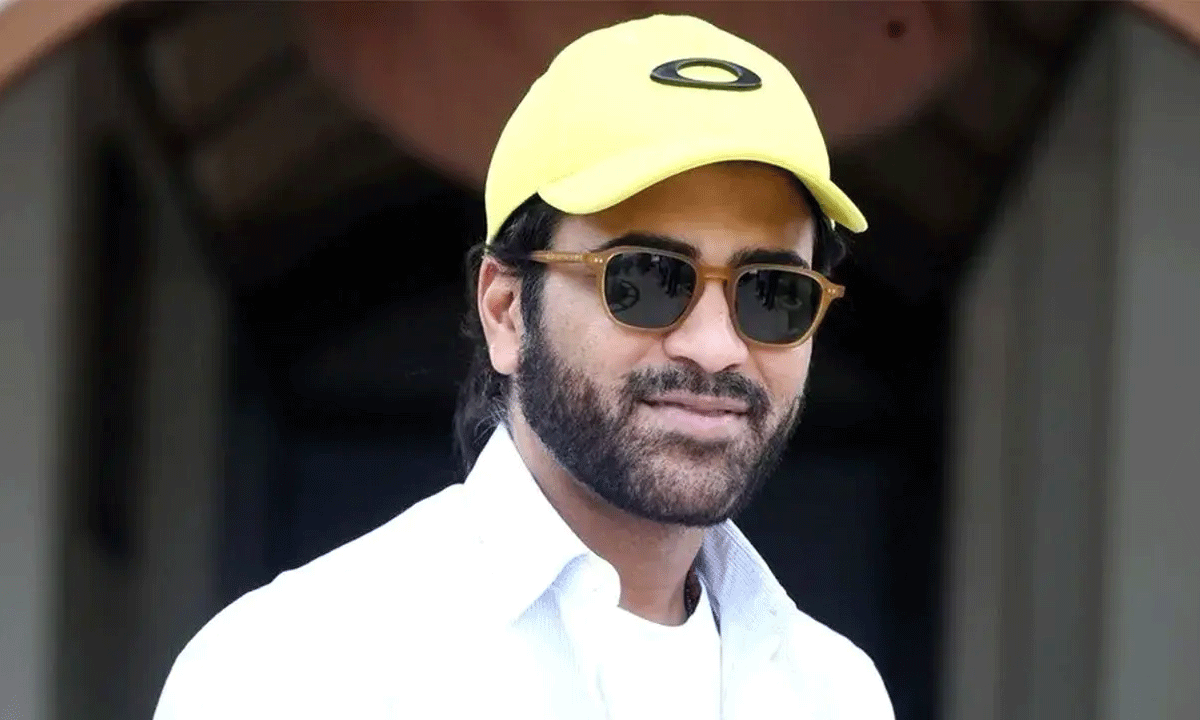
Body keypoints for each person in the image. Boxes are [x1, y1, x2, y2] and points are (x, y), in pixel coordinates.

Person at [154, 14, 892, 720]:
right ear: (506, 311)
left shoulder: (837, 695)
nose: (715, 345)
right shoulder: (293, 672)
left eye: (772, 293)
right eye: (644, 278)